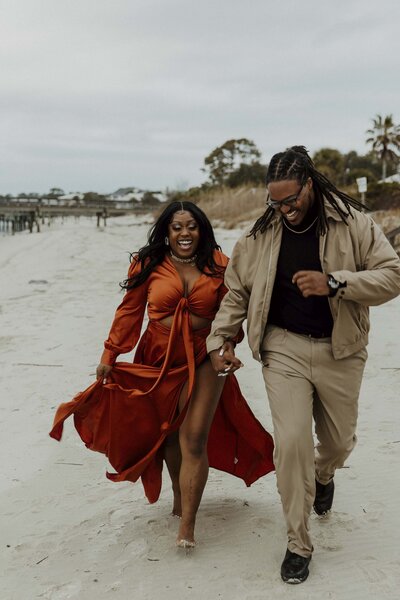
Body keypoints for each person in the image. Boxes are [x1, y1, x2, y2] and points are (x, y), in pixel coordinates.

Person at [207, 146, 400, 583]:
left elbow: (392, 275)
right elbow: (236, 292)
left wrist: (335, 283)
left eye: (290, 200)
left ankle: (324, 473)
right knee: (291, 441)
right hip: (283, 349)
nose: (284, 210)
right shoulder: (259, 235)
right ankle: (298, 541)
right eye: (275, 202)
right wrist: (220, 339)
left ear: (309, 185)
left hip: (341, 350)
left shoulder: (354, 223)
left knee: (337, 443)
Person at [50, 201, 274, 549]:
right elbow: (130, 311)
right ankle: (178, 494)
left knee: (194, 437)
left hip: (204, 354)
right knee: (168, 434)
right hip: (158, 356)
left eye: (192, 227)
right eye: (177, 228)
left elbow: (232, 311)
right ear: (166, 232)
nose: (185, 234)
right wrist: (110, 353)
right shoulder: (148, 264)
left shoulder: (219, 265)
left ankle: (188, 525)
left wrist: (227, 344)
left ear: (202, 230)